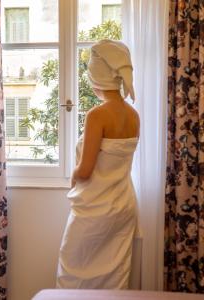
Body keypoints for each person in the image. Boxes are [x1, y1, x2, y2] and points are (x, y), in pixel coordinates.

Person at [56, 39, 140, 289]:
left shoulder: (97, 115)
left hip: (97, 208)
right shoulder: (133, 115)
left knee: (71, 269)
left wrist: (72, 175)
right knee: (114, 275)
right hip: (123, 205)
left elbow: (85, 170)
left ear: (96, 76)